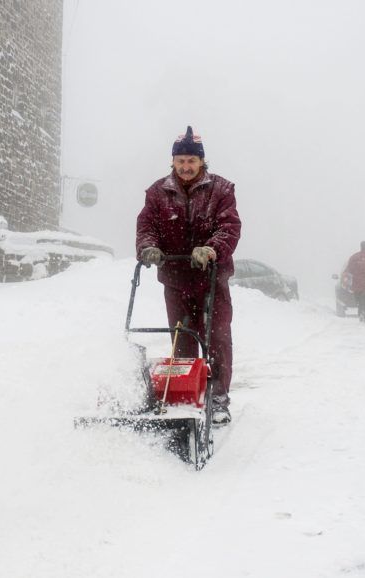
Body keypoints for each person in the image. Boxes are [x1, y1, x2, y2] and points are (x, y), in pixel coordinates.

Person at [135, 126, 242, 426]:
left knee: (217, 338)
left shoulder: (220, 190)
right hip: (175, 280)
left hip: (212, 280)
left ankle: (218, 398)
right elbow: (146, 227)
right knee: (181, 342)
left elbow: (229, 227)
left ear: (201, 162)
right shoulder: (158, 192)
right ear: (173, 161)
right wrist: (148, 247)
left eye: (191, 161)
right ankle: (184, 395)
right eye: (180, 160)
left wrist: (211, 249)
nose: (185, 166)